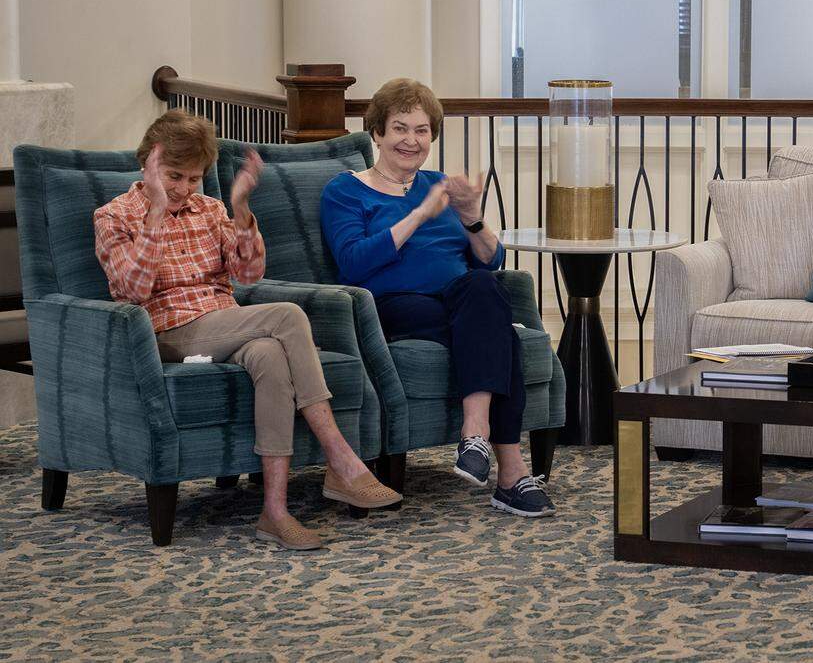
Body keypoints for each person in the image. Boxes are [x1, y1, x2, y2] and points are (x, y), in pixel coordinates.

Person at [94, 109, 401, 550]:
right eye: (172, 176)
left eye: (193, 179)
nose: (182, 189)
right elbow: (132, 290)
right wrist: (157, 214)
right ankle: (341, 458)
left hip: (224, 323)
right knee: (289, 316)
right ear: (148, 163)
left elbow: (250, 273)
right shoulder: (114, 216)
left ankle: (274, 512)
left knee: (271, 357)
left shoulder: (209, 208)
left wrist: (239, 210)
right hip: (166, 332)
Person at [319, 78, 555, 518]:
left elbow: (490, 259)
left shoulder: (442, 186)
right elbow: (353, 262)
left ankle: (476, 436)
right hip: (392, 306)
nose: (411, 140)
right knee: (499, 332)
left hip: (459, 299)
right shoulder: (346, 190)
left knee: (487, 288)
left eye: (422, 130)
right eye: (400, 128)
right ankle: (510, 472)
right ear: (377, 132)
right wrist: (419, 215)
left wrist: (471, 217)